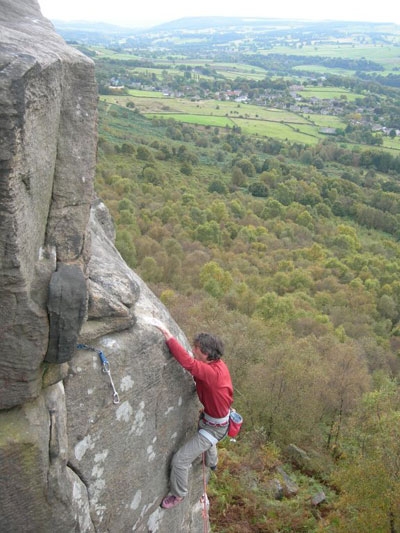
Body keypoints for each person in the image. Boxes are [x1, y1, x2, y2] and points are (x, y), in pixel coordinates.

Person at [155, 325, 233, 510]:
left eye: (195, 348)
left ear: (205, 353)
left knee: (180, 460)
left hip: (214, 427)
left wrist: (168, 336)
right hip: (215, 420)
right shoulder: (218, 365)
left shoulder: (211, 373)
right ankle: (212, 463)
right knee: (208, 438)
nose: (192, 350)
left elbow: (189, 364)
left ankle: (178, 494)